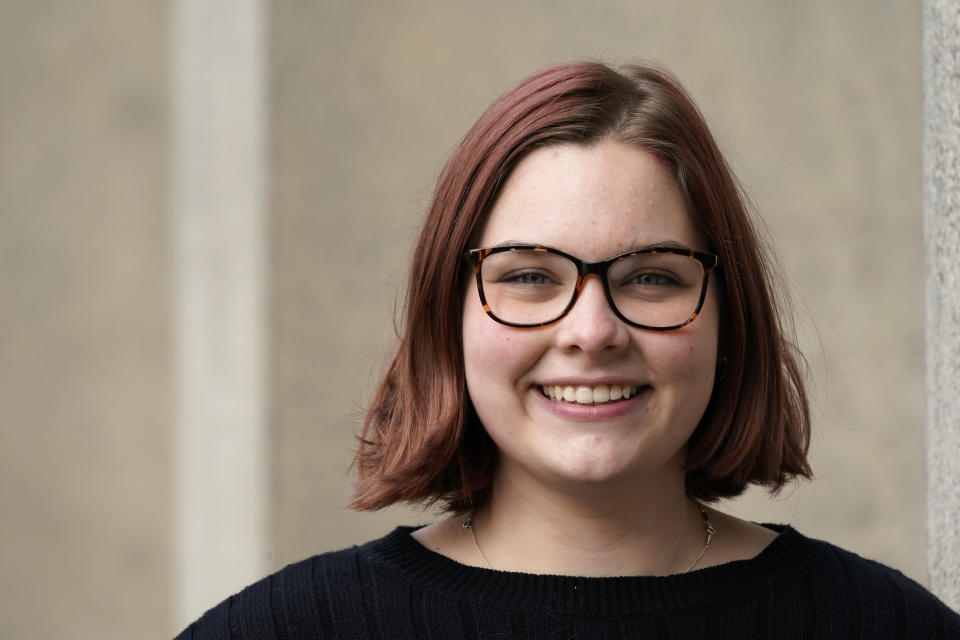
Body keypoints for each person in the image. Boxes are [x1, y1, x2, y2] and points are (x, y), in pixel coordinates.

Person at [176, 60, 960, 639]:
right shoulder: (283, 632)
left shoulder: (883, 627)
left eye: (652, 276)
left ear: (729, 315)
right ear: (447, 318)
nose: (591, 331)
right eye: (528, 276)